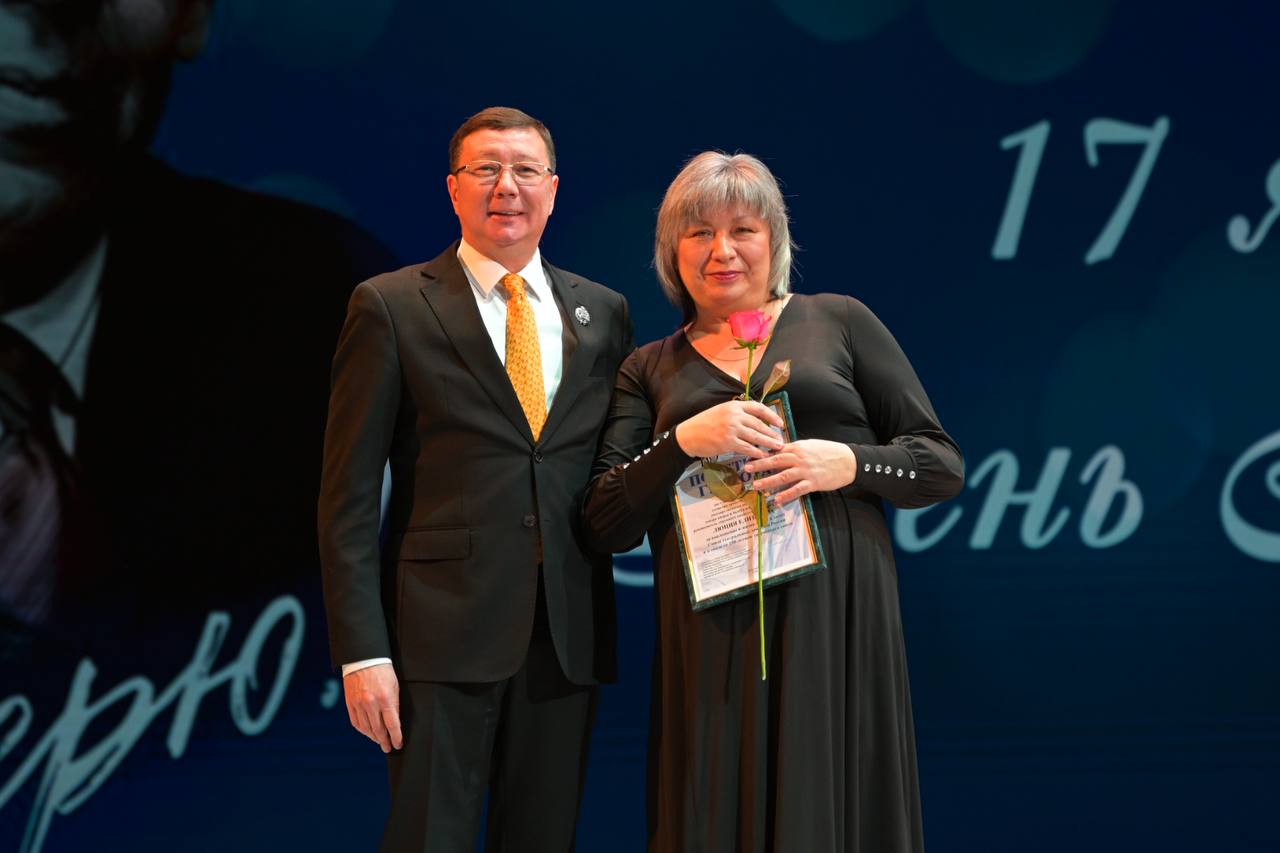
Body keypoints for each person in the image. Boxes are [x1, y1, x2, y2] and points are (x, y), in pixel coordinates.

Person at [583, 152, 964, 852]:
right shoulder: (648, 367)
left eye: (742, 230)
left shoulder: (838, 320)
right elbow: (605, 520)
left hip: (836, 618)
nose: (722, 250)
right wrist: (683, 441)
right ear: (672, 252)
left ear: (774, 240)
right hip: (712, 636)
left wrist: (848, 462)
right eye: (699, 233)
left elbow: (940, 465)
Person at [318, 106, 633, 852]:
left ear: (553, 189)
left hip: (565, 636)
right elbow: (347, 499)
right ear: (453, 188)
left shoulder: (603, 313)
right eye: (486, 169)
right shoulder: (391, 305)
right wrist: (363, 652)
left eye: (525, 170)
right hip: (438, 639)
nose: (506, 187)